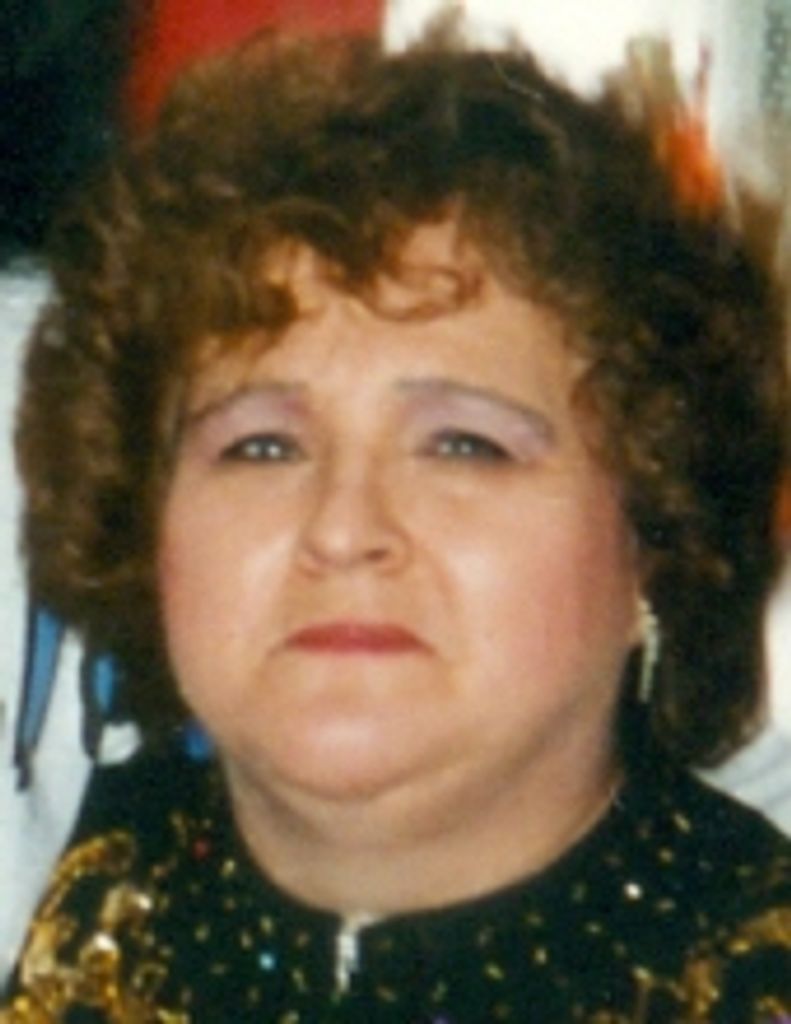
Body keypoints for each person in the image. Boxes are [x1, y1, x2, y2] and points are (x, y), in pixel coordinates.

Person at [2, 28, 790, 1022]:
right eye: (261, 446)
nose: (342, 529)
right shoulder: (89, 910)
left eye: (462, 445)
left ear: (654, 534)